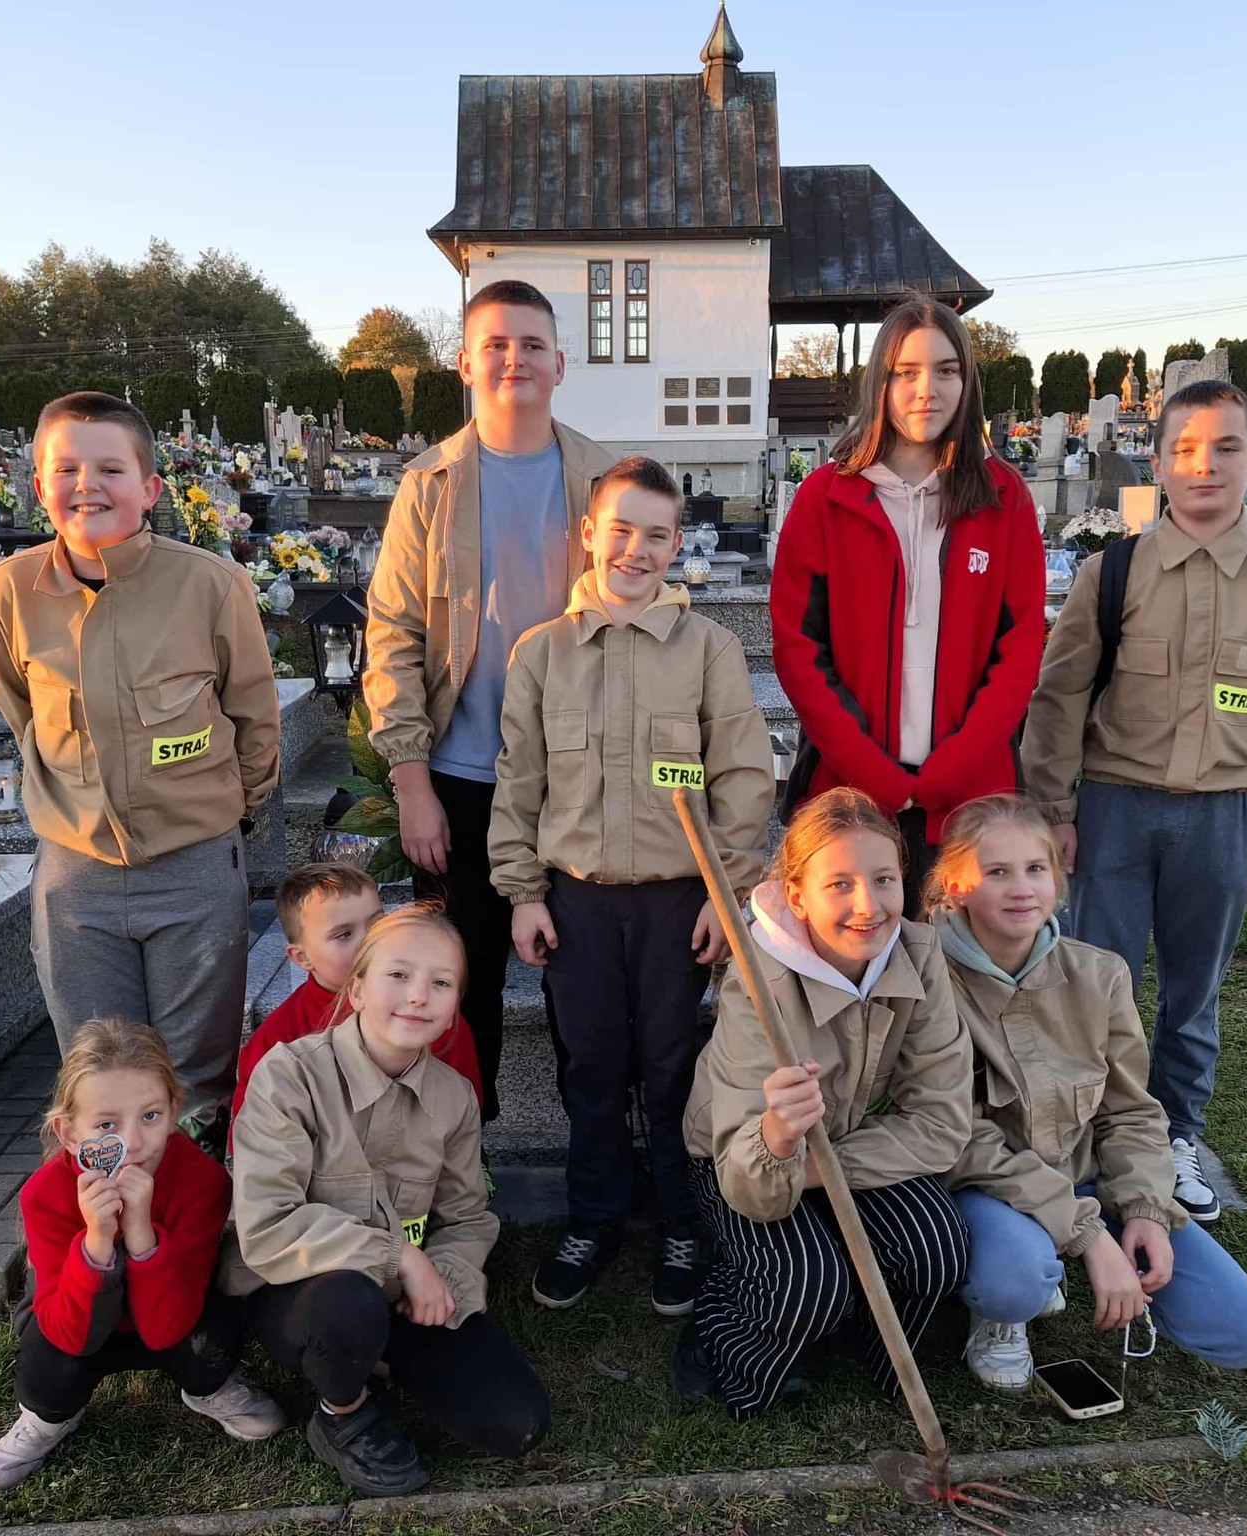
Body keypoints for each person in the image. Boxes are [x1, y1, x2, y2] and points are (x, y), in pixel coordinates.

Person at [1022, 378, 1247, 1223]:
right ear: (1159, 463)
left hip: (1223, 817)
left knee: (1194, 994)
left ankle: (1176, 1136)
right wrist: (1054, 811)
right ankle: (1094, 1136)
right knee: (1100, 983)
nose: (1208, 467)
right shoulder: (1112, 571)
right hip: (1115, 812)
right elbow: (1058, 699)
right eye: (1188, 450)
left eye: (1228, 448)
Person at [488, 455, 775, 1315]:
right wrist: (524, 891)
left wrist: (726, 899)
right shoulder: (541, 654)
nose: (636, 550)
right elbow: (519, 782)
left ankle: (683, 1222)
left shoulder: (708, 650)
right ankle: (595, 1215)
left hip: (676, 904)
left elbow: (744, 779)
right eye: (620, 530)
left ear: (676, 543)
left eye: (656, 535)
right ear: (588, 533)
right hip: (576, 900)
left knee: (672, 1065)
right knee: (592, 1066)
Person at [0, 392, 280, 1152]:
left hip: (194, 866)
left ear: (149, 488)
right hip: (75, 875)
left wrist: (222, 820)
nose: (89, 484)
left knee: (195, 1080)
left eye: (111, 467)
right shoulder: (9, 592)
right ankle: (105, 1247)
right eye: (67, 467)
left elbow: (253, 717)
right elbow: (24, 713)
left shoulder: (210, 586)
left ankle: (191, 1240)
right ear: (40, 484)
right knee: (99, 1081)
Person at [362, 280, 619, 1121]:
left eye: (533, 344)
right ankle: (457, 1162)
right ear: (466, 361)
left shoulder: (602, 481)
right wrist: (412, 783)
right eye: (497, 344)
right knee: (454, 984)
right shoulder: (429, 486)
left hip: (578, 776)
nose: (515, 359)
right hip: (462, 775)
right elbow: (394, 634)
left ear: (561, 364)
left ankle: (593, 1157)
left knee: (577, 976)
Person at [929, 797, 1247, 1392]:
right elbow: (960, 1141)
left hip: (1084, 1175)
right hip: (986, 1189)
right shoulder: (926, 978)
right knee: (1016, 1278)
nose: (1021, 889)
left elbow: (1131, 1110)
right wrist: (1088, 1235)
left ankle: (1081, 1266)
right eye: (997, 872)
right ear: (956, 887)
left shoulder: (1100, 973)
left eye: (1036, 870)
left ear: (1059, 882)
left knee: (1243, 1333)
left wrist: (1143, 1209)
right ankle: (1005, 1306)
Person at [673, 788, 975, 1421]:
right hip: (743, 1162)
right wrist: (780, 1137)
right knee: (808, 1284)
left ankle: (867, 1348)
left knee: (940, 1245)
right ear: (797, 893)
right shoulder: (758, 983)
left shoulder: (920, 956)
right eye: (839, 884)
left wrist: (821, 1169)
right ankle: (726, 1333)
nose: (868, 906)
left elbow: (942, 1126)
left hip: (841, 1149)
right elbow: (747, 1182)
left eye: (884, 879)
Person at [229, 904, 550, 1496]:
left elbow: (466, 1215)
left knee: (516, 1423)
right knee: (349, 1305)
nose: (418, 996)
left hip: (402, 1297)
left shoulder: (453, 1098)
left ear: (455, 1006)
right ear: (355, 990)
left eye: (441, 982)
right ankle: (342, 1414)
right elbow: (268, 1221)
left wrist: (441, 1285)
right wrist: (401, 1257)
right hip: (301, 1291)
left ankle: (382, 1354)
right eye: (398, 975)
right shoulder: (289, 1076)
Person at [771, 297, 1046, 894]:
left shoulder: (1004, 497)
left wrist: (954, 766)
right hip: (850, 790)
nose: (928, 389)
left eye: (946, 370)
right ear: (881, 381)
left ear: (967, 381)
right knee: (857, 967)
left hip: (974, 795)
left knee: (963, 975)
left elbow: (1020, 646)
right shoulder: (825, 499)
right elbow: (798, 648)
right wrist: (876, 774)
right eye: (907, 372)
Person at [0, 1020, 285, 1492]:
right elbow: (68, 1332)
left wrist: (142, 1234)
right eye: (106, 1125)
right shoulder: (45, 1194)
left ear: (175, 1110)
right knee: (47, 1372)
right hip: (79, 1323)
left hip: (171, 1318)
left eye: (150, 1116)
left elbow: (169, 1326)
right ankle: (48, 1419)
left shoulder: (202, 1181)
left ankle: (206, 1391)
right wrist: (97, 1241)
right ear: (68, 1133)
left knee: (210, 1346)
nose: (135, 1143)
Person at [231, 862, 483, 1126]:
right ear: (302, 957)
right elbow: (254, 1133)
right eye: (344, 934)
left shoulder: (422, 1009)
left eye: (376, 923)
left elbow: (464, 1112)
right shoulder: (280, 1037)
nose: (368, 941)